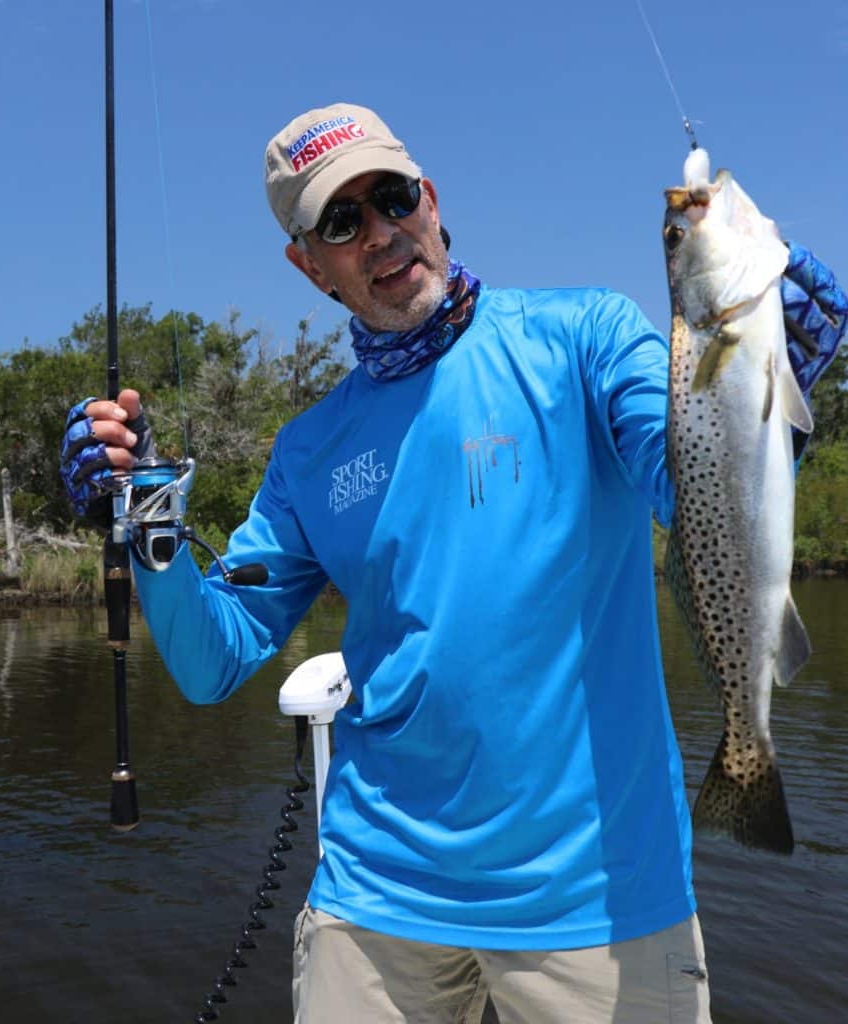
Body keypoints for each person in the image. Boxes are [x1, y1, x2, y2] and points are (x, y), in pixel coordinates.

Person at [60, 103, 846, 1023]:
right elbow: (210, 660)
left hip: (597, 899)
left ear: (430, 198)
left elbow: (690, 492)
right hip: (375, 897)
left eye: (391, 198)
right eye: (342, 223)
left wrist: (765, 387)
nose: (382, 234)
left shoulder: (587, 338)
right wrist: (149, 522)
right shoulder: (309, 450)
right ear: (308, 264)